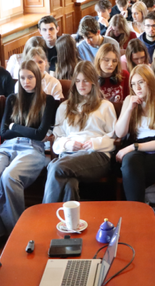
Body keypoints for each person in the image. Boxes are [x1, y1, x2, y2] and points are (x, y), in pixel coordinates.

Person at [0, 59, 57, 250]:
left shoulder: (47, 100)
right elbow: (3, 133)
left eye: (30, 77)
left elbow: (39, 135)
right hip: (7, 146)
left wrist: (15, 126)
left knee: (9, 178)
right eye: (22, 78)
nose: (26, 82)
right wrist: (18, 130)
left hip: (33, 148)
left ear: (37, 77)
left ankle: (18, 231)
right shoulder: (12, 99)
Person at [43, 62, 117, 203]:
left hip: (96, 155)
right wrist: (68, 144)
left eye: (85, 80)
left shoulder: (105, 106)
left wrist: (95, 143)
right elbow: (57, 140)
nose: (81, 85)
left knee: (55, 167)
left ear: (93, 82)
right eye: (77, 81)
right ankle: (70, 223)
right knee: (70, 183)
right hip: (69, 155)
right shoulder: (64, 107)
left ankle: (45, 217)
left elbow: (114, 138)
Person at [114, 65, 155, 202]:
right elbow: (120, 133)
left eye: (141, 82)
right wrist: (129, 110)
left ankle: (134, 211)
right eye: (133, 84)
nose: (137, 88)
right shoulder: (129, 101)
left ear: (150, 81)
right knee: (129, 165)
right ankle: (138, 210)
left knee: (130, 167)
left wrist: (132, 147)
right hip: (137, 152)